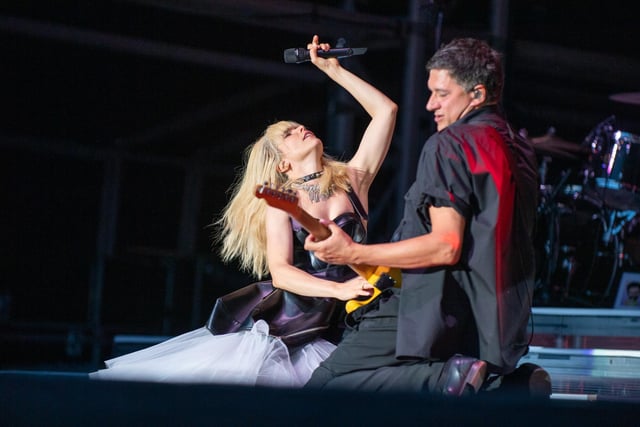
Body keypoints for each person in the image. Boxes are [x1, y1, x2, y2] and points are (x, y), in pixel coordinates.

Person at [89, 35, 397, 387]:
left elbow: (386, 111)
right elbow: (280, 274)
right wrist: (339, 291)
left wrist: (334, 70)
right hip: (295, 326)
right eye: (289, 135)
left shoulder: (353, 180)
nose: (300, 129)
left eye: (298, 126)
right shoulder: (281, 203)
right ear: (282, 165)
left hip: (350, 319)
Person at [303, 37, 540, 396]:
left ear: (476, 94)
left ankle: (450, 379)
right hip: (492, 318)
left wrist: (353, 253)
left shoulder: (450, 144)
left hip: (430, 303)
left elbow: (446, 246)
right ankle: (511, 387)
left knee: (325, 388)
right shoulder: (518, 147)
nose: (430, 105)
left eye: (442, 94)